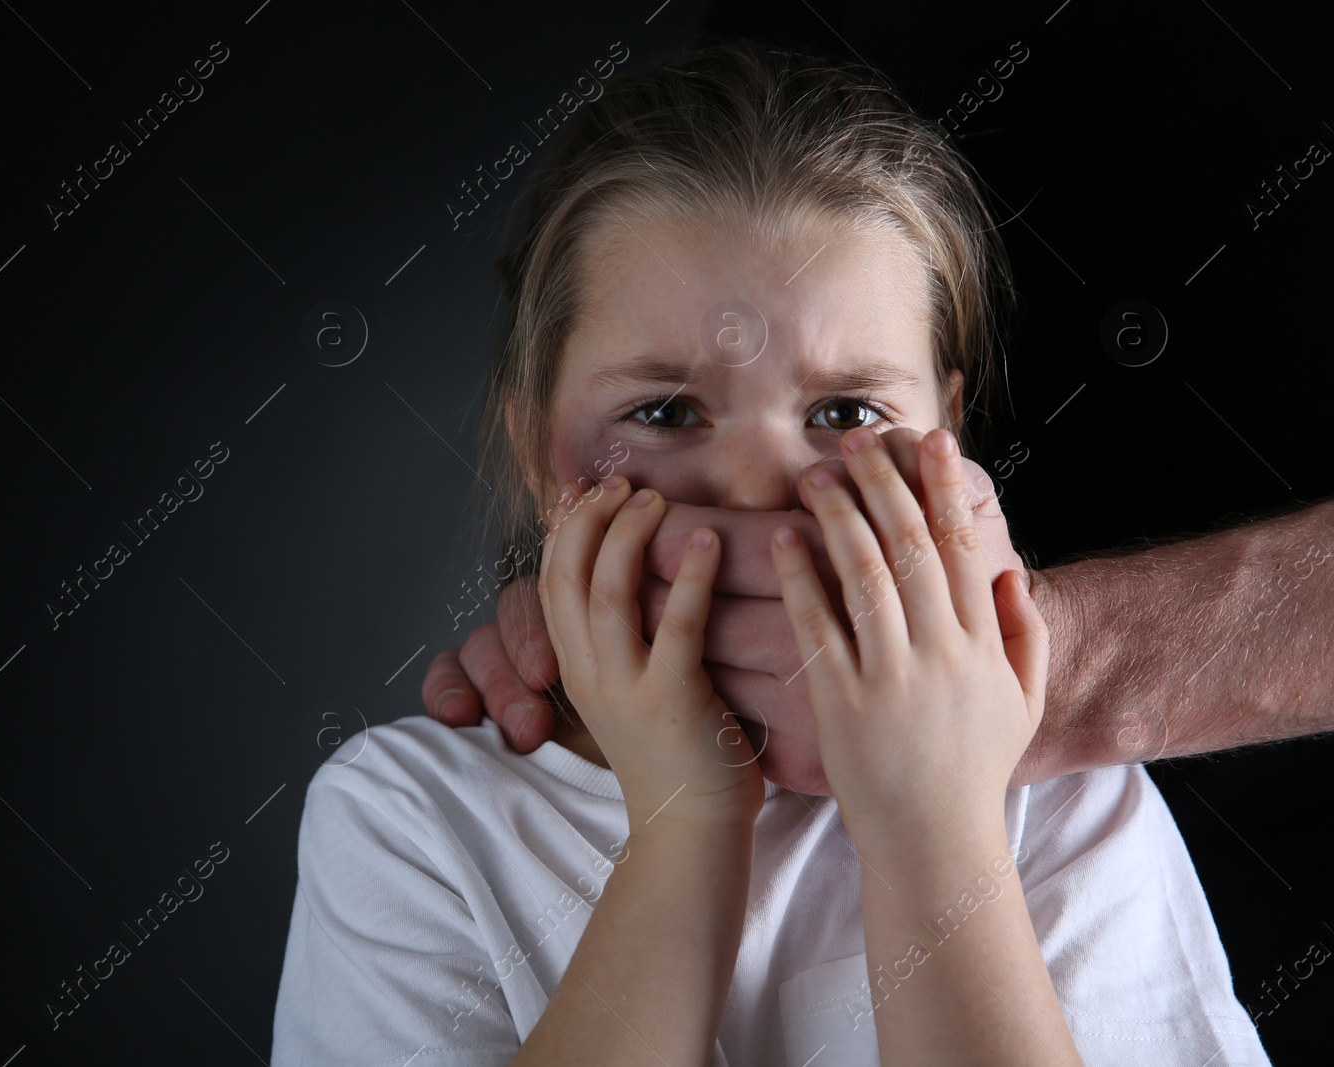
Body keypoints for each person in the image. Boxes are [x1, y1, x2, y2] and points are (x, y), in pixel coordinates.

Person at [273, 39, 1271, 1065]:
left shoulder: (1056, 801)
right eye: (664, 409)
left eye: (844, 408)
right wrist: (684, 821)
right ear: (536, 450)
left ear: (948, 441)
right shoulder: (407, 820)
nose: (757, 487)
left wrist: (930, 819)